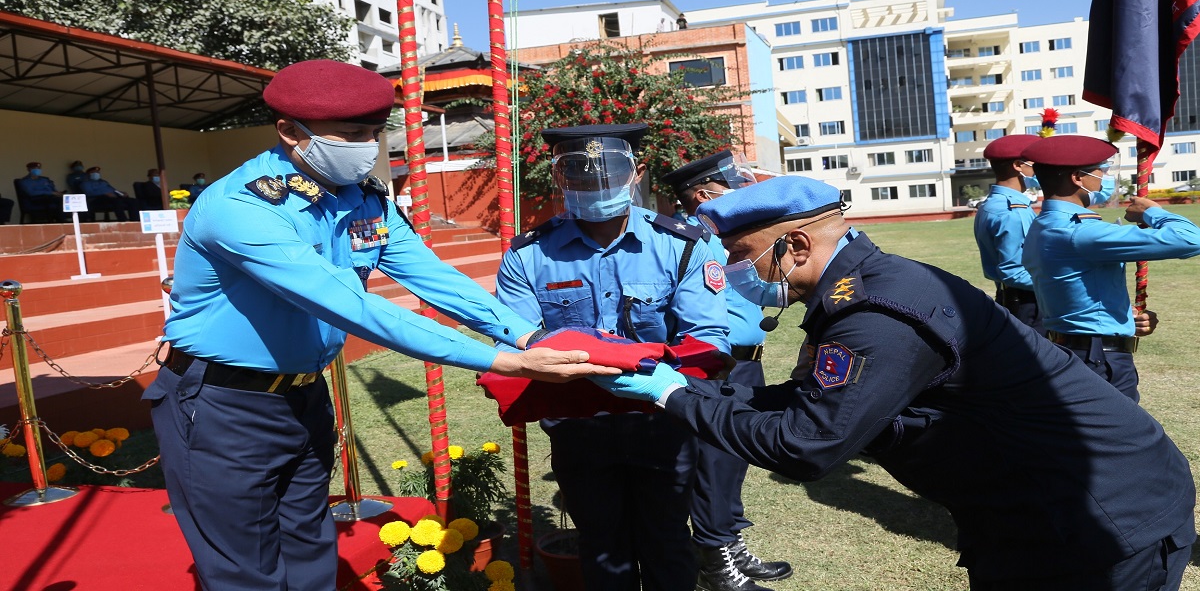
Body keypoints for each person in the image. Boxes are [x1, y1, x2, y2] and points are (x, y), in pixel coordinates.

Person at [588, 174, 1196, 591]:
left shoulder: (877, 314)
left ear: (795, 244)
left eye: (741, 254)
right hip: (1032, 513)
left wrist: (671, 396)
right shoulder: (861, 290)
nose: (731, 271)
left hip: (1102, 520)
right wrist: (691, 389)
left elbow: (806, 443)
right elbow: (820, 399)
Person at [144, 59, 618, 591]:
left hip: (302, 398)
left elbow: (432, 277)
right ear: (288, 131)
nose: (368, 147)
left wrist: (526, 334)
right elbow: (351, 306)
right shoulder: (242, 207)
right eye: (351, 134)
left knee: (310, 552)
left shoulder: (364, 199)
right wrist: (506, 361)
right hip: (221, 405)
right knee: (242, 569)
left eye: (374, 133)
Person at [494, 123, 731, 591]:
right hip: (578, 426)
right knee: (601, 546)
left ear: (636, 172)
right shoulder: (528, 256)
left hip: (662, 417)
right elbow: (516, 345)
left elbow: (706, 339)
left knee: (667, 542)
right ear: (560, 179)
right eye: (578, 173)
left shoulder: (682, 244)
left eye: (608, 171)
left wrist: (645, 372)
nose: (594, 183)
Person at [661, 151, 791, 591]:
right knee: (714, 462)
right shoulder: (689, 239)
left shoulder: (728, 234)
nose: (743, 190)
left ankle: (728, 543)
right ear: (703, 194)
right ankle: (715, 562)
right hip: (715, 367)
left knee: (735, 459)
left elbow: (759, 291)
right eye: (731, 184)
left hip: (747, 364)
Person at [1021, 135, 1200, 402]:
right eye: (1099, 171)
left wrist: (1125, 320)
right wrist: (1152, 212)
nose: (1104, 177)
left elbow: (1082, 289)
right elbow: (1190, 239)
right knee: (1124, 439)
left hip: (1076, 347)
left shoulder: (1044, 224)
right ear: (1077, 178)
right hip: (1098, 358)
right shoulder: (1079, 232)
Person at [972, 133, 1044, 332]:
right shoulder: (1013, 211)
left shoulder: (992, 205)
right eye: (1036, 163)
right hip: (1027, 303)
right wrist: (1060, 284)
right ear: (1019, 165)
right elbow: (1014, 271)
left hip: (1013, 299)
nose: (1042, 168)